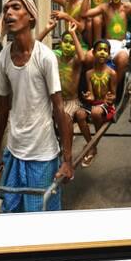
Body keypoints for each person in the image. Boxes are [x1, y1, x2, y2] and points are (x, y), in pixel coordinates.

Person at [0, 0, 74, 213]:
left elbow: (59, 109)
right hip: (15, 151)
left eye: (16, 7)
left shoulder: (45, 57)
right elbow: (2, 109)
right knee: (10, 212)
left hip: (42, 154)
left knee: (39, 219)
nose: (9, 12)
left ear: (31, 17)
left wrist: (67, 160)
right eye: (6, 8)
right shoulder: (3, 57)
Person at [38, 20, 93, 165]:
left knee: (65, 117)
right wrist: (47, 29)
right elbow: (34, 48)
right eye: (65, 42)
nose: (68, 45)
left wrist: (74, 33)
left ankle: (67, 156)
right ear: (60, 43)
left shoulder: (76, 60)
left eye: (72, 43)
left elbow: (82, 58)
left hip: (72, 101)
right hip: (55, 100)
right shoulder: (54, 57)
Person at [81, 39, 118, 166]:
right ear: (94, 53)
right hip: (94, 103)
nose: (102, 52)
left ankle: (92, 146)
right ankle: (91, 144)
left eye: (105, 50)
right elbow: (91, 93)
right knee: (80, 114)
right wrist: (88, 96)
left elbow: (114, 94)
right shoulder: (88, 73)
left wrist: (110, 98)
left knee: (96, 112)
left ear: (108, 54)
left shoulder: (112, 73)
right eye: (99, 50)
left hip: (105, 105)